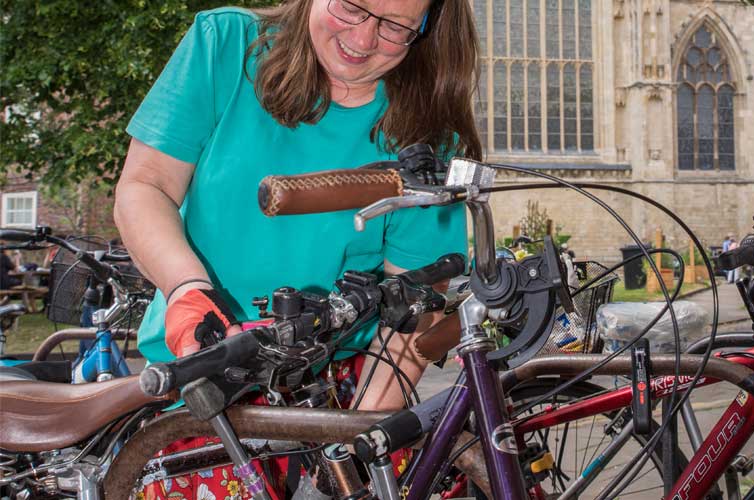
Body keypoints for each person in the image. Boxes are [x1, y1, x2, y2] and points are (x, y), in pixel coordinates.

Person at [114, 0, 480, 496]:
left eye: (396, 26)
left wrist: (352, 447)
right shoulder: (225, 45)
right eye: (352, 6)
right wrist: (186, 290)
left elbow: (413, 308)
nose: (364, 39)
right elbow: (146, 186)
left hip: (342, 389)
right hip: (201, 381)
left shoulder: (426, 133)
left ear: (426, 30)